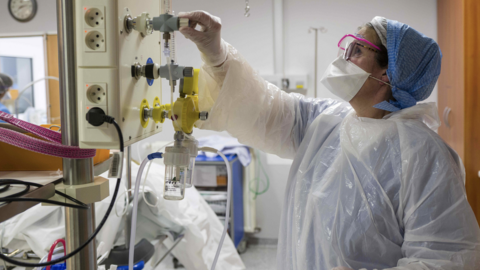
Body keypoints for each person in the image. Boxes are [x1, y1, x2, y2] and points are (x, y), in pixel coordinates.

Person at [178, 11, 480, 270]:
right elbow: (265, 109)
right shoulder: (327, 121)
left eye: (357, 50)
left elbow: (446, 258)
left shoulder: (424, 155)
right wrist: (217, 54)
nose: (343, 57)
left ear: (389, 71)